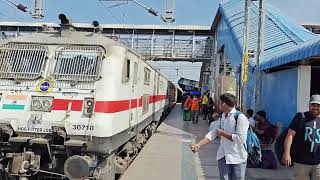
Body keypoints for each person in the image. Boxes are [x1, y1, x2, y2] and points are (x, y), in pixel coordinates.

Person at [191, 93, 249, 180]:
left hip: (238, 158)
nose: (218, 104)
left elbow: (240, 139)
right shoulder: (223, 116)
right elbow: (214, 132)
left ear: (224, 103)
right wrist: (198, 144)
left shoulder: (240, 118)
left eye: (220, 102)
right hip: (223, 155)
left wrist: (223, 133)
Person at [282, 94, 320, 180]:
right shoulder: (301, 117)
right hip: (301, 162)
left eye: (318, 105)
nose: (315, 107)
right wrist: (287, 153)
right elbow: (290, 135)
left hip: (318, 163)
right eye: (313, 105)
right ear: (309, 105)